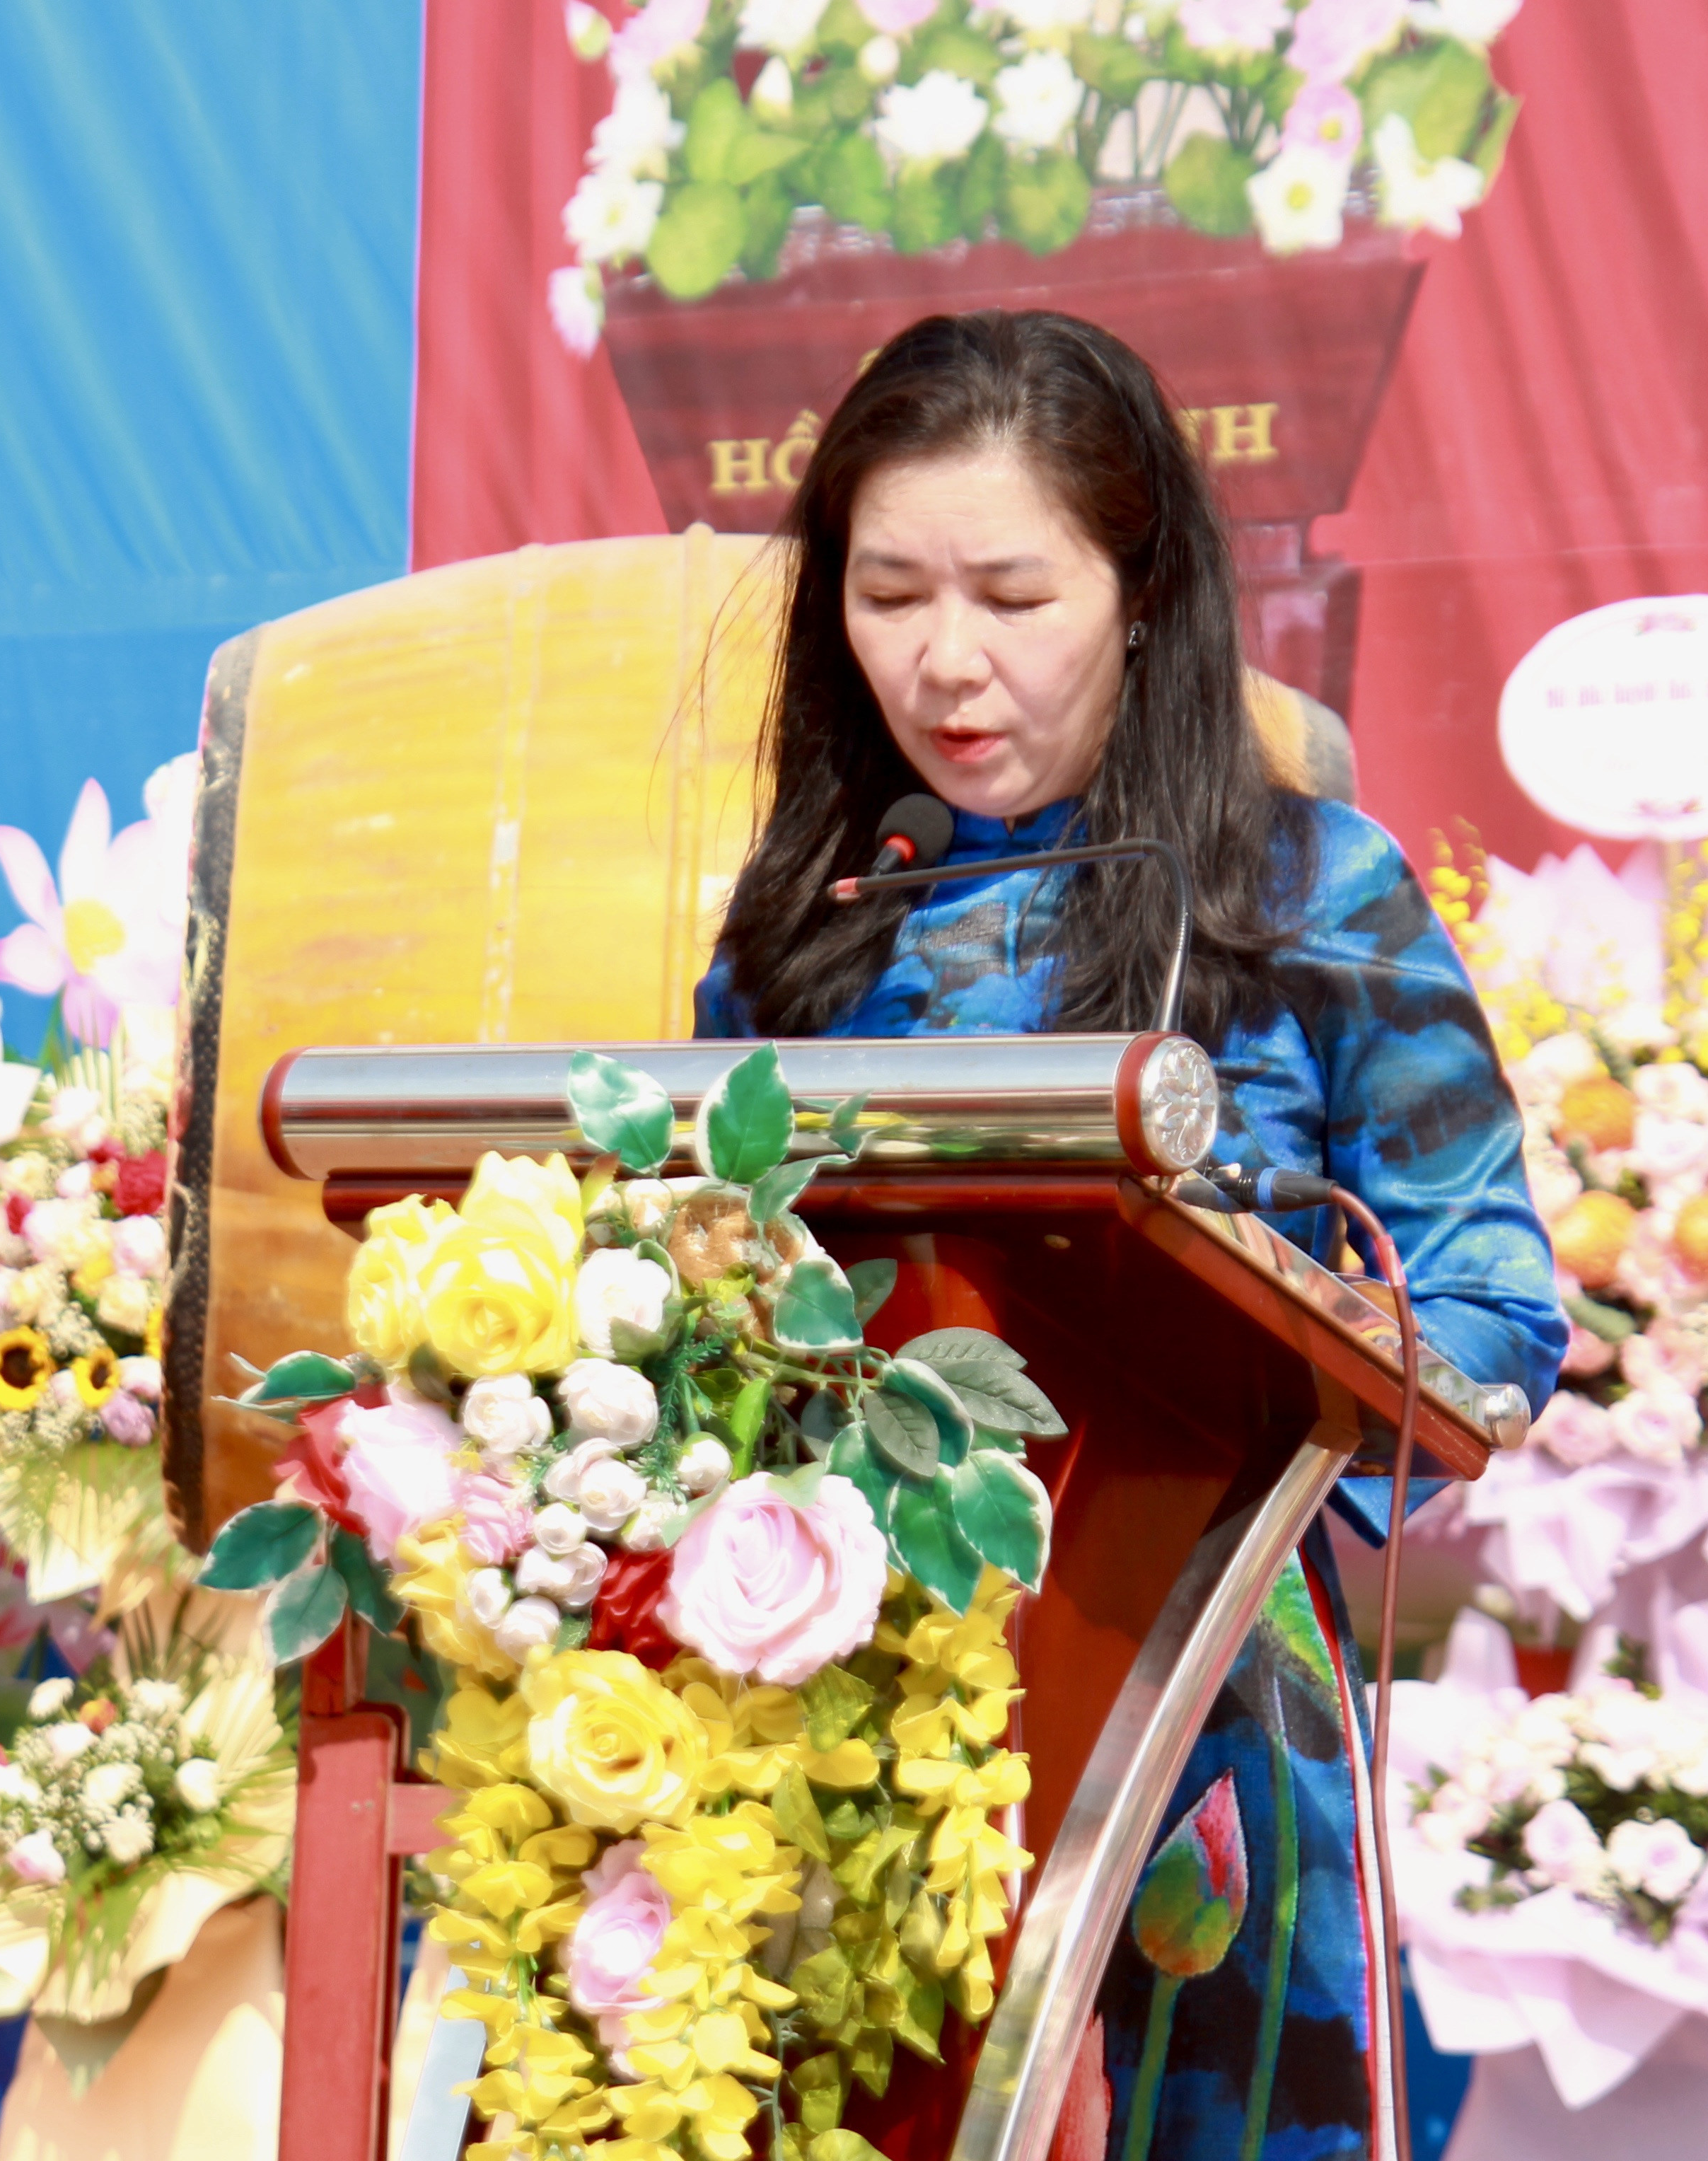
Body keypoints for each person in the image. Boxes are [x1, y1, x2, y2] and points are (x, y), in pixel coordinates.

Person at [695, 308, 1564, 2160]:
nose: (945, 661)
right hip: (838, 1710)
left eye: (1015, 597)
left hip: (1198, 1716)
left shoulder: (1308, 895)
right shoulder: (803, 926)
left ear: (1145, 591)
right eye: (888, 594)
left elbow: (1491, 1317)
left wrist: (1252, 1342)